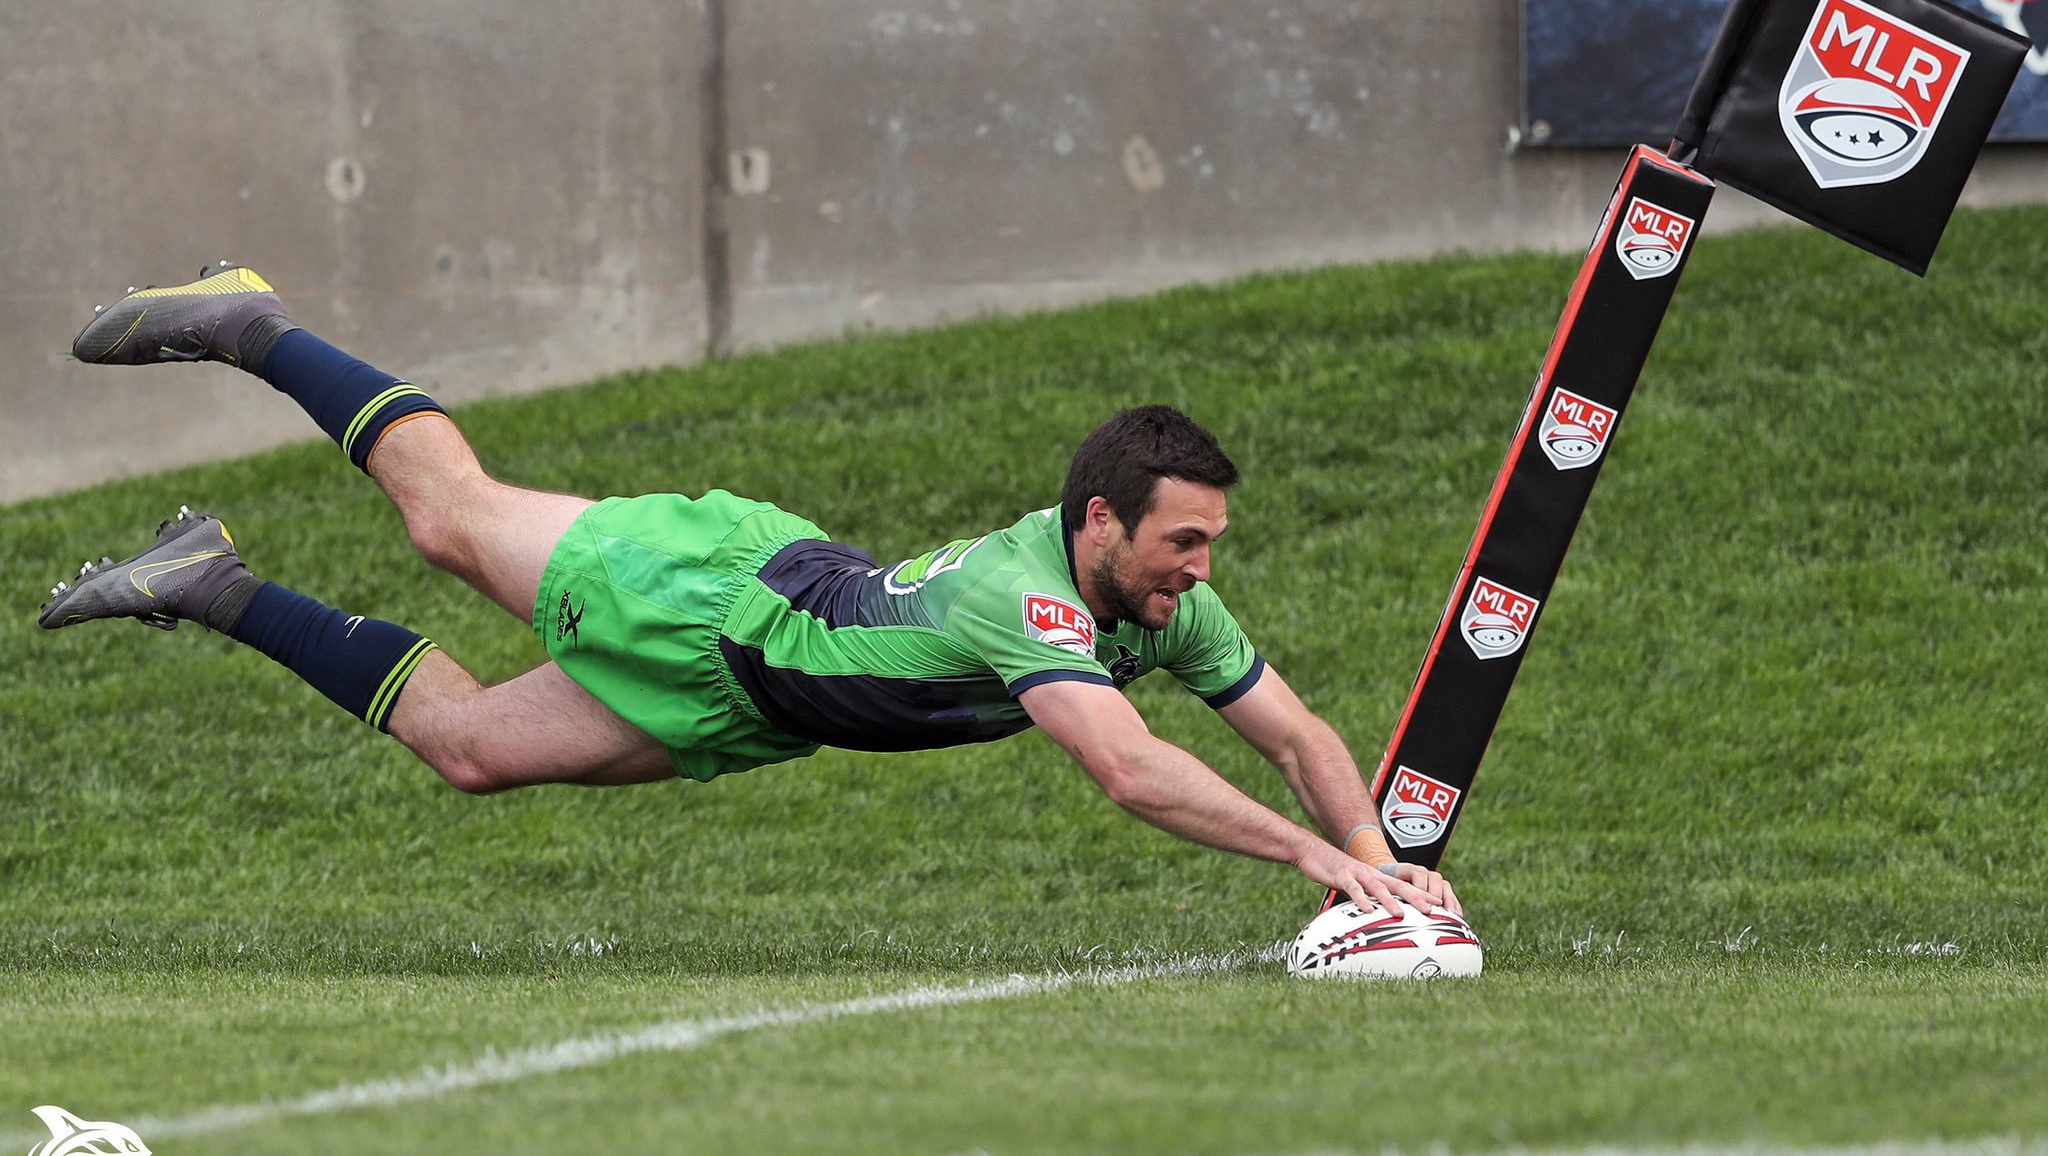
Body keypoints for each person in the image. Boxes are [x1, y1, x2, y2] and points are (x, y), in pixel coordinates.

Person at [40, 265, 1459, 919]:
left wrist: (1381, 860)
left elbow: (1299, 733)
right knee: (446, 517)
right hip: (703, 596)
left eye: (1210, 547)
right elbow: (1132, 771)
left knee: (468, 751)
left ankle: (214, 583)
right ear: (1103, 524)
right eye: (1184, 546)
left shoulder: (1163, 606)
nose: (1203, 574)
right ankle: (256, 322)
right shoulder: (1028, 599)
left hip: (750, 698)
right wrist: (1308, 862)